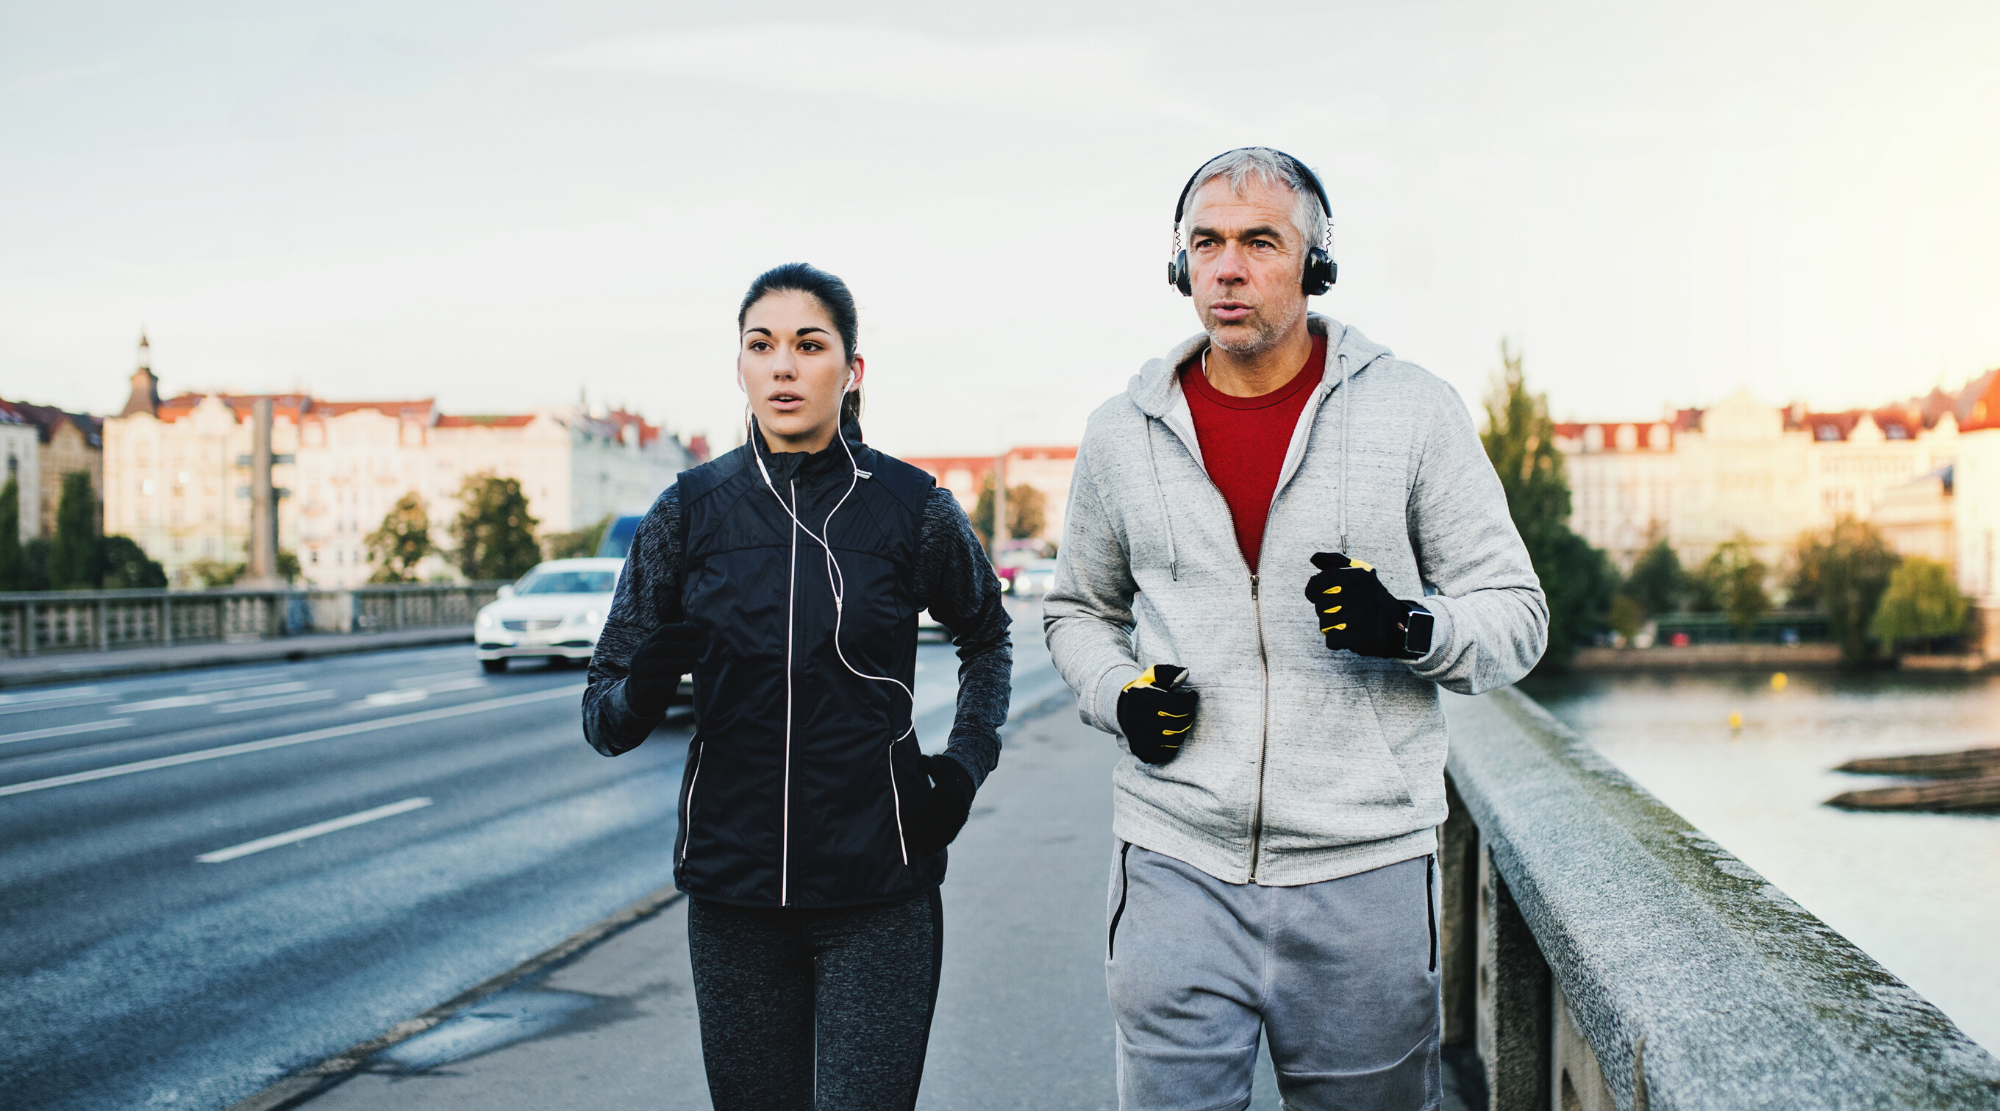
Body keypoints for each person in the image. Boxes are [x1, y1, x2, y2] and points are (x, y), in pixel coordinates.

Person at [1044, 148, 1548, 1110]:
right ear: (1179, 265)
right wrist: (1119, 695)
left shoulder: (1413, 412)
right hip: (1174, 863)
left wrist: (1408, 625)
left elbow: (1517, 617)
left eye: (1259, 242)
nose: (1227, 268)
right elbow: (1077, 611)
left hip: (1364, 876)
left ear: (1315, 265)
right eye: (1206, 244)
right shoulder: (1121, 431)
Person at [582, 262, 1012, 1111]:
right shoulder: (687, 513)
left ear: (851, 370)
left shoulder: (910, 506)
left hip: (879, 892)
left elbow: (988, 636)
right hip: (735, 893)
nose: (783, 366)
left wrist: (963, 767)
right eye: (761, 345)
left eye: (809, 345)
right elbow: (603, 711)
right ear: (739, 365)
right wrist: (643, 689)